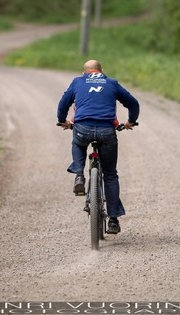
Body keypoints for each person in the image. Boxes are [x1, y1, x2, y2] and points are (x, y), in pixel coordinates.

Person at [57, 60, 140, 234]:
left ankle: (79, 174)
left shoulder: (78, 81)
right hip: (106, 131)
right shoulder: (111, 83)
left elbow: (63, 104)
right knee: (110, 174)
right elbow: (133, 104)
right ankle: (113, 221)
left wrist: (62, 120)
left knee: (78, 142)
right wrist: (130, 121)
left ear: (84, 72)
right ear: (102, 71)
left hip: (82, 129)